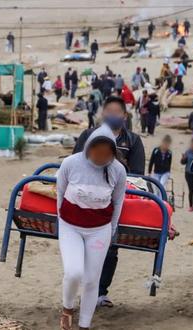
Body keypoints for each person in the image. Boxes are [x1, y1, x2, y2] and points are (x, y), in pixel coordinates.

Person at [73, 97, 145, 308]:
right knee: (83, 246)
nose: (112, 115)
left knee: (109, 247)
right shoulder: (88, 136)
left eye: (117, 112)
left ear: (124, 116)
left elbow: (138, 176)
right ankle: (84, 287)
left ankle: (100, 292)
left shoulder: (133, 141)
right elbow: (74, 163)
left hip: (114, 201)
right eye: (108, 111)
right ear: (102, 114)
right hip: (85, 197)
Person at [57, 124, 127, 330]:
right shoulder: (70, 163)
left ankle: (84, 325)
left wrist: (111, 230)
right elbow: (59, 194)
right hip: (70, 225)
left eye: (107, 153)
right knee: (73, 272)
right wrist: (60, 222)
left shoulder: (118, 171)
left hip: (99, 229)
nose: (100, 157)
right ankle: (67, 308)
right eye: (97, 151)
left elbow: (118, 203)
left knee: (91, 279)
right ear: (88, 148)